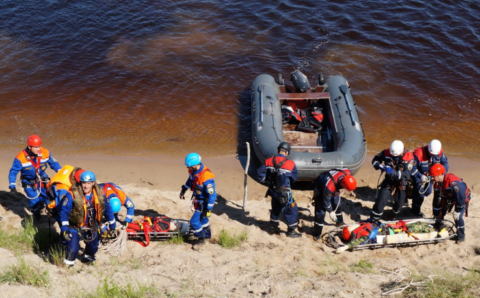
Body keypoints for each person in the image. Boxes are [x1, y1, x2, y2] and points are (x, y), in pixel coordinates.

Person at [59, 170, 116, 266]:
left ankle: (87, 259)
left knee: (93, 247)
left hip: (91, 226)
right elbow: (64, 212)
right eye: (84, 183)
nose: (86, 186)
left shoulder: (99, 194)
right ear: (80, 183)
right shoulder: (72, 194)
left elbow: (107, 208)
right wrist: (64, 228)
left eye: (88, 183)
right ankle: (67, 266)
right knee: (73, 249)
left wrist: (113, 224)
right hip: (75, 227)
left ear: (93, 183)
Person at [8, 135, 61, 219]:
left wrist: (60, 172)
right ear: (29, 147)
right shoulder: (20, 157)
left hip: (42, 178)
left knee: (47, 196)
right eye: (36, 147)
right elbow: (13, 172)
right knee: (34, 201)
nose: (38, 149)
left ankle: (45, 206)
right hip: (28, 181)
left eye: (39, 147)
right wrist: (12, 186)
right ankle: (36, 214)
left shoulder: (45, 152)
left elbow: (54, 164)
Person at [257, 142, 302, 238]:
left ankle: (273, 228)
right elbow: (294, 178)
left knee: (275, 208)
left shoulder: (268, 161)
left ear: (278, 151)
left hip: (273, 191)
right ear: (286, 152)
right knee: (292, 210)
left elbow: (260, 174)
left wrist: (267, 181)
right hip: (285, 192)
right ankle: (291, 231)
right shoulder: (290, 164)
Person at [371, 140, 416, 220]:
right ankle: (375, 217)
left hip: (402, 182)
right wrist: (379, 165)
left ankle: (393, 214)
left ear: (401, 151)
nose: (394, 157)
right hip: (389, 180)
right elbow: (375, 160)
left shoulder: (409, 158)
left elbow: (406, 174)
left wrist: (393, 172)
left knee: (399, 203)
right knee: (381, 200)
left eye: (396, 156)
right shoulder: (387, 152)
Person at [179, 153, 217, 245]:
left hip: (204, 203)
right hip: (198, 200)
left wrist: (208, 208)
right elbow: (190, 180)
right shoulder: (193, 171)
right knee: (203, 220)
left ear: (195, 165)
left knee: (194, 222)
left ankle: (201, 239)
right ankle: (207, 235)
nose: (188, 168)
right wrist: (184, 189)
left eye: (189, 166)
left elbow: (212, 195)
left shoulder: (206, 177)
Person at [429, 164, 470, 243]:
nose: (432, 178)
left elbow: (461, 196)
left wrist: (458, 210)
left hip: (462, 197)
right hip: (448, 196)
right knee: (439, 211)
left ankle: (461, 236)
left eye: (433, 176)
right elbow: (436, 200)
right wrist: (436, 213)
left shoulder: (453, 184)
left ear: (440, 174)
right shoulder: (437, 184)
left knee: (458, 217)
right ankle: (439, 224)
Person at [312, 168, 357, 240]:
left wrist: (350, 190)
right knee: (321, 212)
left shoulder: (347, 172)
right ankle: (317, 233)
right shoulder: (329, 187)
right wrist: (330, 212)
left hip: (335, 183)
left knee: (337, 204)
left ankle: (339, 222)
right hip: (321, 184)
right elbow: (326, 202)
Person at [411, 139, 449, 216]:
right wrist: (420, 176)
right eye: (431, 153)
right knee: (419, 194)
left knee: (428, 192)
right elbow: (412, 168)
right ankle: (415, 209)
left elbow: (445, 164)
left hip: (431, 176)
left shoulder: (439, 152)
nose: (432, 155)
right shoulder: (419, 153)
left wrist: (440, 174)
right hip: (419, 176)